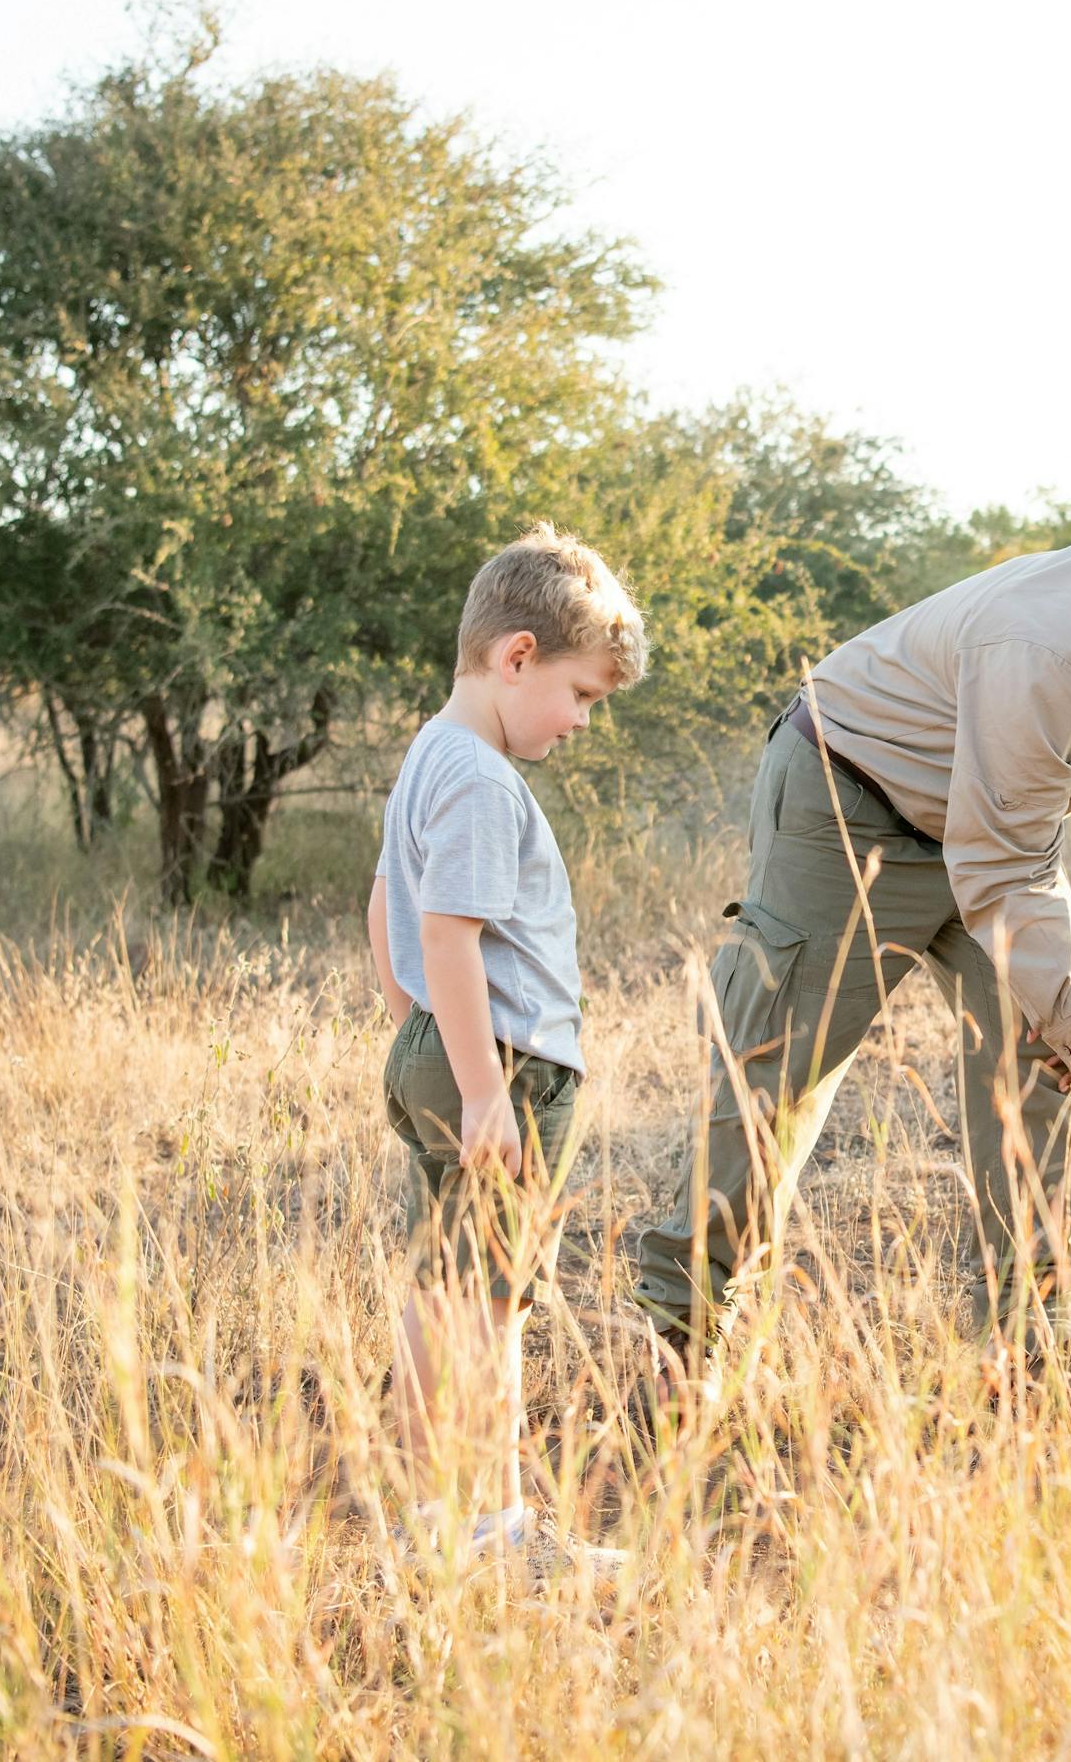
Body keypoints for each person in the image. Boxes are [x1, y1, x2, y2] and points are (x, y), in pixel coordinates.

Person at [628, 491, 1071, 1372]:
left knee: (1041, 1065)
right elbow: (1005, 872)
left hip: (1001, 835)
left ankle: (1031, 1346)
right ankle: (686, 1337)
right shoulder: (1039, 642)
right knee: (780, 1065)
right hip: (850, 798)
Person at [366, 522, 646, 1552]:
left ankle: (428, 1517)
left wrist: (422, 1038)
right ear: (515, 656)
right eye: (580, 695)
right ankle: (496, 1526)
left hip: (445, 1048)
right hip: (510, 1070)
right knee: (495, 1302)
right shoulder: (487, 783)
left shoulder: (432, 755)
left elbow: (384, 901)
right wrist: (483, 1087)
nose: (580, 721)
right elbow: (448, 928)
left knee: (443, 1288)